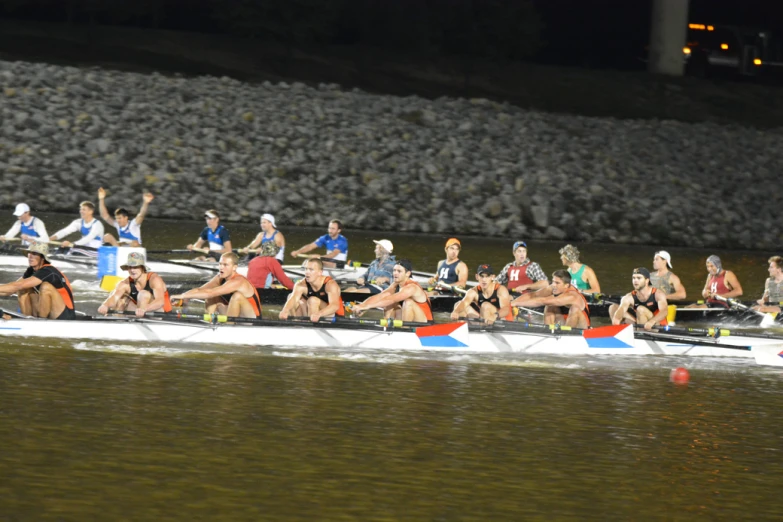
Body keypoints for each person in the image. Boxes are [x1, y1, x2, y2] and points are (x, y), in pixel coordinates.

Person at [171, 252, 261, 318]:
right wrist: (185, 297)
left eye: (225, 265)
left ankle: (228, 326)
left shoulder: (238, 281)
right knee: (212, 296)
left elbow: (210, 292)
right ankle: (209, 320)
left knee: (237, 296)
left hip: (253, 318)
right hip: (237, 314)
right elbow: (200, 290)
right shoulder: (220, 277)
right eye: (220, 264)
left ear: (234, 267)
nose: (221, 267)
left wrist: (183, 296)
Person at [0, 242, 75, 319]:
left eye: (35, 254)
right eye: (29, 253)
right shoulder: (31, 270)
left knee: (46, 286)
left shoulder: (48, 271)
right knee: (23, 288)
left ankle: (41, 321)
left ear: (42, 258)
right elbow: (12, 289)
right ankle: (27, 320)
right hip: (48, 310)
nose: (30, 256)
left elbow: (17, 286)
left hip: (65, 314)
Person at [351, 259, 433, 322]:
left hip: (425, 323)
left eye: (399, 271)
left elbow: (391, 299)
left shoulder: (411, 287)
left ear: (407, 273)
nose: (395, 273)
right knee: (388, 299)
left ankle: (404, 330)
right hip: (410, 319)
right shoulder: (395, 284)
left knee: (408, 302)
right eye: (394, 270)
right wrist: (362, 306)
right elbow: (381, 296)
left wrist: (367, 306)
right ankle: (387, 325)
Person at [97, 252, 172, 317]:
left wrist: (144, 308)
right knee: (120, 298)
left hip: (162, 314)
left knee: (143, 294)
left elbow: (160, 301)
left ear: (142, 268)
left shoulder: (155, 279)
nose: (132, 270)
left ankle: (138, 320)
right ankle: (117, 322)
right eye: (130, 267)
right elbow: (114, 298)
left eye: (135, 267)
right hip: (140, 312)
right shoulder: (125, 283)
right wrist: (105, 305)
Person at [510, 270, 590, 328]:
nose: (554, 285)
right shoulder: (553, 288)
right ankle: (548, 329)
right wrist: (512, 303)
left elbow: (542, 301)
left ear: (566, 286)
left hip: (581, 327)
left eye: (557, 283)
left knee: (574, 308)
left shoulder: (572, 296)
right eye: (553, 282)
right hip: (564, 323)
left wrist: (516, 304)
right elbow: (533, 295)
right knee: (550, 306)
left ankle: (566, 336)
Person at [279, 258, 345, 322]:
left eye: (311, 270)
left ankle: (311, 325)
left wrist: (319, 314)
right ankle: (296, 323)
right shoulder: (301, 284)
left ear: (320, 272)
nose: (307, 272)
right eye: (306, 269)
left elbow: (335, 306)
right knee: (291, 296)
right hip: (314, 314)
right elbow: (293, 299)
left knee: (312, 300)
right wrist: (285, 310)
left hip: (334, 316)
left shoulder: (330, 284)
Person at [242, 213, 295, 290]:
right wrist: (247, 248)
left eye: (264, 222)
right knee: (249, 256)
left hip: (275, 260)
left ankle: (265, 282)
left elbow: (275, 247)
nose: (262, 225)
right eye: (261, 223)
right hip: (264, 258)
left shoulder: (278, 235)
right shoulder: (261, 234)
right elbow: (252, 245)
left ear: (270, 223)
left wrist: (262, 248)